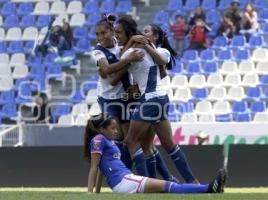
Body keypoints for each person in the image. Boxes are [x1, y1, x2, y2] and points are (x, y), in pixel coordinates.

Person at [115, 15, 198, 183]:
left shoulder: (160, 51)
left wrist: (141, 43)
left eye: (147, 31)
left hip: (151, 99)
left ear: (155, 37)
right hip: (159, 99)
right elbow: (133, 63)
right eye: (142, 31)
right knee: (168, 145)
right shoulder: (138, 50)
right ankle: (193, 183)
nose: (143, 33)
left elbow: (124, 59)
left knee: (130, 140)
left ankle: (144, 183)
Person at [84, 113, 227, 194]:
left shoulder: (108, 141)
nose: (116, 131)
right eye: (113, 128)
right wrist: (90, 194)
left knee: (166, 188)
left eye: (116, 128)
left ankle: (210, 188)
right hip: (124, 181)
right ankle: (209, 188)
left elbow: (102, 170)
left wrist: (97, 193)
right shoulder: (98, 139)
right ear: (102, 129)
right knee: (169, 186)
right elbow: (94, 168)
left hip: (126, 180)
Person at [91, 14, 144, 169]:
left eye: (103, 32)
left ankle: (128, 173)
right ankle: (122, 173)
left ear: (112, 32)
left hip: (125, 97)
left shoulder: (120, 45)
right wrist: (127, 61)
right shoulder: (97, 52)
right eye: (97, 34)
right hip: (108, 98)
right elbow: (107, 71)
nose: (100, 37)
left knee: (129, 139)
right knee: (117, 136)